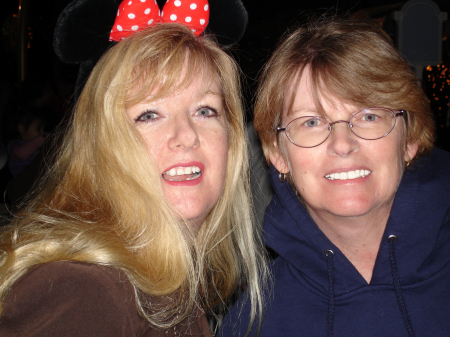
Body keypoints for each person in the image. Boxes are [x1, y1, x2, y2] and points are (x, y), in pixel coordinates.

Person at [0, 23, 266, 336]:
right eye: (149, 115)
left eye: (205, 110)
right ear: (102, 147)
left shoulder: (164, 280)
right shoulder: (85, 290)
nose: (186, 136)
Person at [220, 17, 450, 337]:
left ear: (409, 139)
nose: (343, 145)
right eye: (311, 122)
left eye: (369, 116)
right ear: (277, 153)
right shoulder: (251, 322)